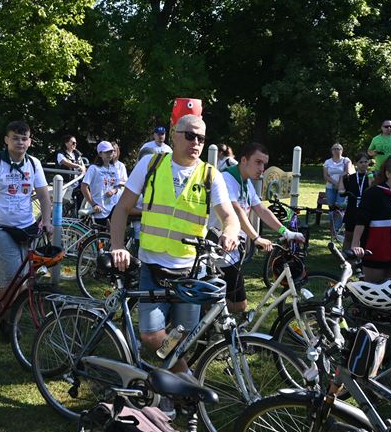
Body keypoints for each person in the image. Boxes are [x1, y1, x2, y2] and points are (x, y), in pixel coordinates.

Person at [110, 114, 240, 378]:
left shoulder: (210, 175)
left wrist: (230, 232)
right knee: (151, 335)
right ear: (174, 135)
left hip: (190, 271)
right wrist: (117, 245)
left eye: (201, 138)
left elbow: (230, 216)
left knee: (184, 338)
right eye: (190, 135)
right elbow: (122, 208)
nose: (196, 143)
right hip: (152, 266)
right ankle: (186, 381)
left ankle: (167, 386)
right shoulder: (151, 164)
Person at [208, 142, 304, 314]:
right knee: (235, 304)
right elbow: (237, 211)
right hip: (219, 248)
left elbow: (261, 210)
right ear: (244, 160)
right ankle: (201, 312)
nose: (262, 168)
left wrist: (286, 232)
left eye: (264, 164)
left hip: (233, 251)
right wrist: (256, 238)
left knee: (237, 304)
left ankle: (208, 314)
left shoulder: (246, 182)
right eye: (258, 162)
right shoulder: (226, 179)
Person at [0, 120, 53, 292]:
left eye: (24, 139)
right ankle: (4, 311)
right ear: (7, 140)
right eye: (15, 138)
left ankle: (14, 311)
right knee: (11, 284)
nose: (20, 142)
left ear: (29, 142)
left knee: (25, 281)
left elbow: (44, 195)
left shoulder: (33, 164)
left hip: (26, 228)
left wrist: (47, 221)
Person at [81, 141, 122, 227]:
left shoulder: (114, 168)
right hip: (99, 210)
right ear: (100, 154)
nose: (109, 154)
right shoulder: (93, 168)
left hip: (113, 208)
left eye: (111, 151)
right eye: (106, 152)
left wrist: (113, 191)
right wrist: (93, 204)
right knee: (100, 234)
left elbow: (117, 186)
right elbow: (84, 187)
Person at [337, 152, 373, 249]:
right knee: (349, 235)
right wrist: (341, 177)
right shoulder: (351, 178)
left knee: (365, 236)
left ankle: (363, 254)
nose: (364, 164)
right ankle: (345, 255)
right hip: (352, 210)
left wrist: (370, 178)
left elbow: (372, 190)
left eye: (366, 162)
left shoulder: (371, 176)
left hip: (365, 210)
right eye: (361, 162)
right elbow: (341, 191)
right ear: (356, 163)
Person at [323, 143, 351, 239]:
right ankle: (332, 228)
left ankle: (337, 230)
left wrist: (339, 183)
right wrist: (334, 183)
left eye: (338, 148)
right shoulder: (327, 162)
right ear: (331, 151)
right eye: (334, 148)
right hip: (330, 187)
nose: (336, 150)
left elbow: (347, 172)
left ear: (342, 151)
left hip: (342, 188)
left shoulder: (346, 160)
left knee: (339, 207)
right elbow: (325, 175)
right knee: (332, 208)